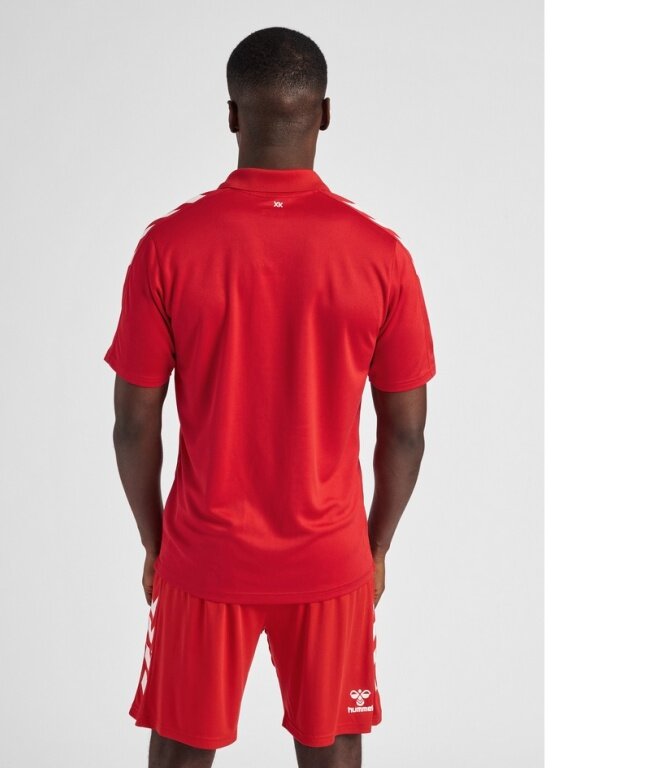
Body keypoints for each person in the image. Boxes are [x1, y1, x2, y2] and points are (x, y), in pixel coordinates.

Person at [104, 26, 436, 768]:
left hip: (205, 555)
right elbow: (406, 433)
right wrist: (375, 547)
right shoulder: (381, 256)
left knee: (180, 750)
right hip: (330, 557)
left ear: (232, 116)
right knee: (334, 747)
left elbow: (132, 424)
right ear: (325, 113)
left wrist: (157, 544)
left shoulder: (168, 248)